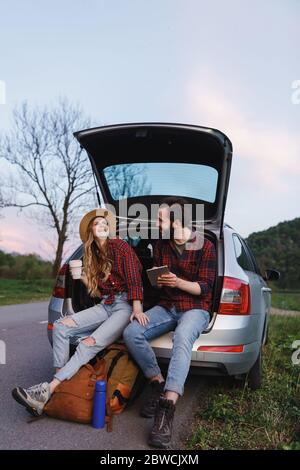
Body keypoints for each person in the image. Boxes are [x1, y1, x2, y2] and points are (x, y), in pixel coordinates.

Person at [12, 208, 144, 416]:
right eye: (97, 223)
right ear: (91, 229)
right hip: (106, 304)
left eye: (105, 223)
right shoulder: (93, 256)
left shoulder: (120, 246)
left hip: (125, 305)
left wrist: (137, 307)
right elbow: (98, 292)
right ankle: (59, 384)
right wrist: (82, 276)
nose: (102, 226)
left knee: (88, 343)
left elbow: (135, 277)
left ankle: (49, 389)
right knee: (60, 326)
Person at [123, 197, 216, 448]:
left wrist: (178, 282)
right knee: (132, 332)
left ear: (177, 220)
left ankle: (167, 406)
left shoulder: (205, 246)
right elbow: (157, 278)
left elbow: (205, 287)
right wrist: (157, 280)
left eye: (161, 218)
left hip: (195, 308)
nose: (157, 222)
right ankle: (157, 383)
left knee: (183, 336)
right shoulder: (160, 244)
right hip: (167, 306)